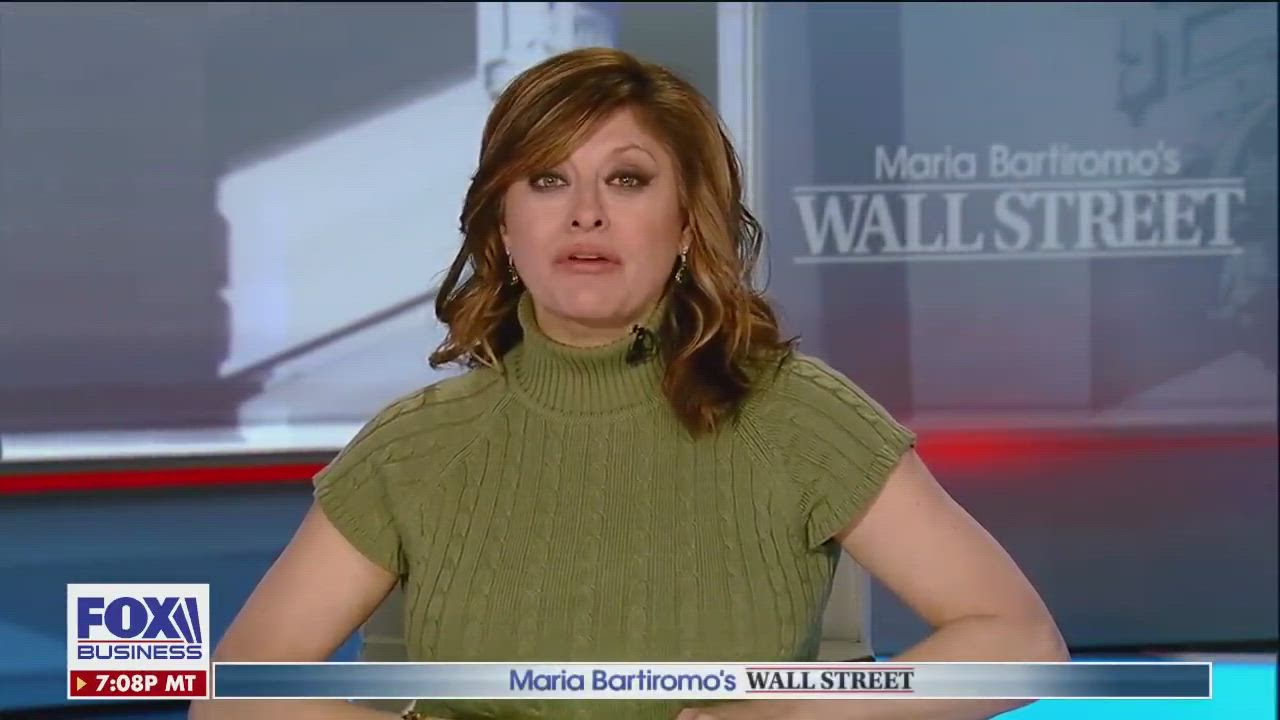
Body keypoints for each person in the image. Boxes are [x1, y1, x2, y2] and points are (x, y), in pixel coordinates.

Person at [191, 47, 1068, 720]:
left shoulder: (794, 416)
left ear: (685, 224)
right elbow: (233, 693)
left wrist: (805, 713)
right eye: (548, 181)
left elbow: (1020, 641)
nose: (586, 213)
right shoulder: (416, 447)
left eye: (627, 179)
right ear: (504, 228)